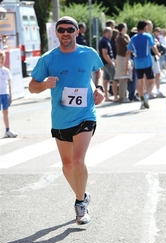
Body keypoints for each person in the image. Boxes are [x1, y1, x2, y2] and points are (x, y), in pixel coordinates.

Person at [28, 16, 104, 225]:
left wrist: (99, 88)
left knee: (78, 161)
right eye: (61, 29)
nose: (65, 33)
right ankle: (83, 194)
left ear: (77, 31)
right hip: (60, 119)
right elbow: (32, 86)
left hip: (85, 115)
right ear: (56, 32)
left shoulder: (88, 53)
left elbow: (98, 70)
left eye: (70, 29)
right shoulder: (48, 58)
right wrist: (44, 85)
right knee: (67, 165)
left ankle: (80, 204)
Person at [126, 20, 161, 109]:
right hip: (147, 61)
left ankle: (142, 102)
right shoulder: (148, 36)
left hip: (137, 62)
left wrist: (126, 64)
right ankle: (146, 96)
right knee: (152, 81)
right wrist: (158, 54)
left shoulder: (133, 38)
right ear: (145, 27)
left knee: (140, 81)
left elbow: (128, 52)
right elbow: (153, 47)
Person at [0, 50, 17, 138]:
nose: (1, 60)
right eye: (0, 58)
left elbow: (9, 83)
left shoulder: (6, 71)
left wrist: (10, 95)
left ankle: (7, 130)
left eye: (2, 58)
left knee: (6, 112)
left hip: (5, 93)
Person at [114, 23, 131, 103]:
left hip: (124, 58)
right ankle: (122, 97)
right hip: (122, 58)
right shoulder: (120, 37)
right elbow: (129, 45)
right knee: (122, 78)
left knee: (125, 78)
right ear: (123, 28)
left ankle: (123, 96)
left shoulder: (123, 37)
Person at [98, 27, 116, 102]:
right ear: (107, 33)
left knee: (106, 79)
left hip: (104, 63)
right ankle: (115, 96)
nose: (111, 34)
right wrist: (111, 63)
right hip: (107, 63)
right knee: (114, 79)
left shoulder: (104, 40)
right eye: (111, 33)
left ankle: (106, 96)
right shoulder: (104, 41)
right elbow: (105, 54)